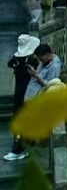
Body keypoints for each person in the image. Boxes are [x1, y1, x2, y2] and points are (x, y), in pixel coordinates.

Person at [4, 34, 38, 162]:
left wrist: (16, 65)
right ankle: (27, 141)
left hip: (21, 91)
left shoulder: (18, 59)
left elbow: (9, 63)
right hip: (28, 91)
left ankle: (21, 144)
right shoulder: (32, 60)